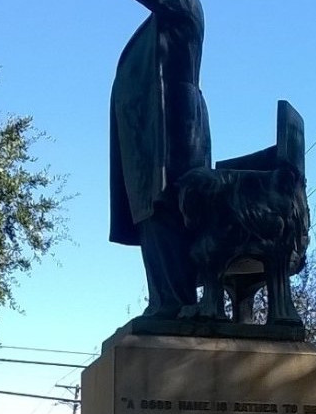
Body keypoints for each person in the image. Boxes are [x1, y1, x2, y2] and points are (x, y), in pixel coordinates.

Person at [109, 0, 211, 318]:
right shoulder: (158, 22)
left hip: (171, 134)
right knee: (152, 217)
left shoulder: (184, 6)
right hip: (146, 141)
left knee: (168, 209)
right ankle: (163, 301)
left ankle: (175, 302)